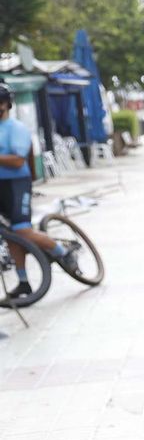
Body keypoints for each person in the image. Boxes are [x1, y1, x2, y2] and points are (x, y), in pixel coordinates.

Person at [0, 84, 79, 306]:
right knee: (9, 235)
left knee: (21, 230)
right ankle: (23, 281)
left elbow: (17, 161)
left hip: (16, 184)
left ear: (6, 104)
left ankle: (63, 252)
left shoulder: (16, 128)